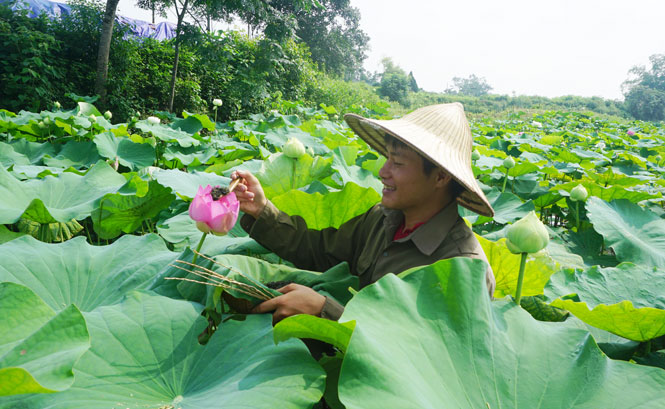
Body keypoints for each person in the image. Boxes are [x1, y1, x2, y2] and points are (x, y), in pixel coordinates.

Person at [230, 103, 495, 323]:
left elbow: (426, 361)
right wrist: (262, 210)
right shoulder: (382, 218)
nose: (383, 172)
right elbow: (320, 251)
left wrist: (326, 311)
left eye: (398, 162)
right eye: (387, 158)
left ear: (440, 177)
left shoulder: (465, 268)